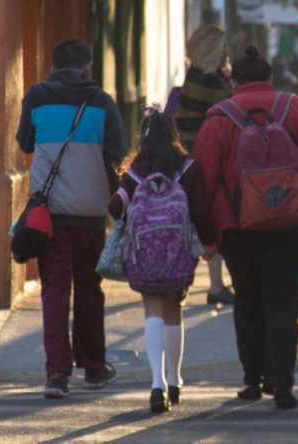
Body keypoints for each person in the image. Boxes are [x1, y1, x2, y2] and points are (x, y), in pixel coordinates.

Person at [193, 46, 298, 409]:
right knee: (285, 300)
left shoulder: (218, 118)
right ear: (270, 79)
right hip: (296, 222)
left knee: (248, 299)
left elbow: (203, 181)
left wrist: (204, 237)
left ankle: (252, 381)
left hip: (237, 227)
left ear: (233, 81)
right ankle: (282, 384)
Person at [16, 39, 127, 399]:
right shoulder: (103, 102)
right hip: (92, 211)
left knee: (55, 291)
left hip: (50, 214)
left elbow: (25, 143)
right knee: (90, 292)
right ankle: (93, 368)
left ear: (52, 67)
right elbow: (118, 153)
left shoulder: (36, 96)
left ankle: (57, 375)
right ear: (87, 68)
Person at [107, 109, 214, 413]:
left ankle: (157, 384)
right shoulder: (188, 167)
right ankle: (176, 379)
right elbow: (201, 212)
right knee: (174, 310)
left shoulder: (136, 171)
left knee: (152, 308)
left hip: (145, 254)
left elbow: (115, 207)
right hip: (178, 253)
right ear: (173, 135)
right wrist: (208, 244)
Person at [172, 25, 236, 305]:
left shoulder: (193, 78)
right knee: (211, 221)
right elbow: (230, 119)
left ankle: (192, 282)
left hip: (187, 161)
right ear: (213, 50)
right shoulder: (211, 84)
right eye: (223, 46)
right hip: (205, 161)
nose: (227, 51)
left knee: (196, 222)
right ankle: (214, 286)